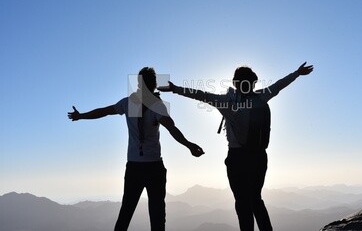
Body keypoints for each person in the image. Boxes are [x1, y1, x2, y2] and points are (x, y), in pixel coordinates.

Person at [158, 62, 313, 231]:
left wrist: (175, 89)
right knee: (256, 199)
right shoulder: (261, 97)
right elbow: (278, 86)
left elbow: (200, 95)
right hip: (259, 156)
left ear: (235, 83)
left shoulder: (225, 101)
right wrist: (297, 73)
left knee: (242, 202)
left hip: (237, 158)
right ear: (253, 83)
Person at [68, 67, 204, 231]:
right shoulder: (156, 106)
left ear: (138, 84)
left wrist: (81, 116)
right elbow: (172, 128)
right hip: (153, 167)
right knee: (157, 216)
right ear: (153, 85)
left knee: (126, 213)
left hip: (134, 167)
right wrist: (189, 145)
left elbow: (104, 112)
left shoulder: (128, 103)